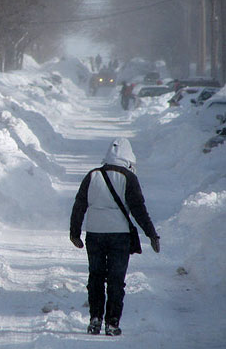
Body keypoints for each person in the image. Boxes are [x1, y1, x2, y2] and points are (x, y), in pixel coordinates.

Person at [69, 138, 160, 336]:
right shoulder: (128, 177)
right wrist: (151, 234)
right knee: (116, 280)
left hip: (95, 234)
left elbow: (79, 205)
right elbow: (139, 210)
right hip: (120, 236)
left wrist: (74, 233)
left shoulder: (92, 175)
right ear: (129, 156)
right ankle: (112, 323)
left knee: (96, 277)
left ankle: (95, 319)